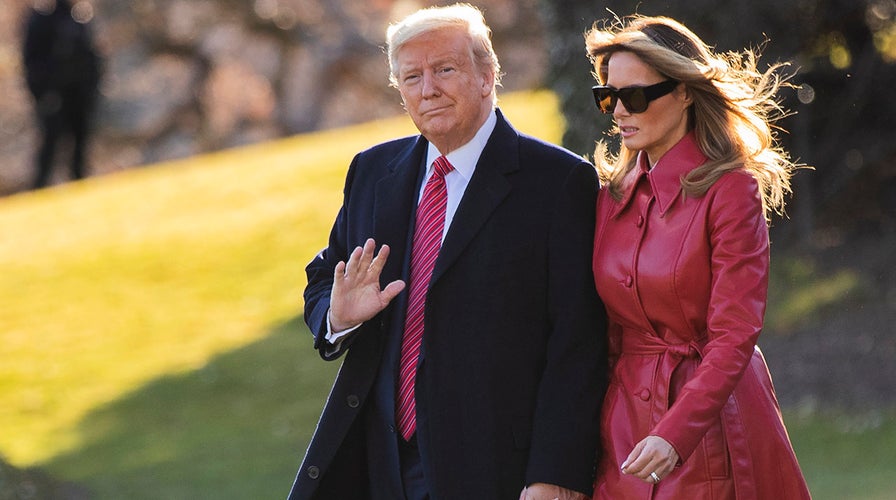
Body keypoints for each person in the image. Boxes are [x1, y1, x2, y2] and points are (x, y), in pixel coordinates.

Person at [286, 4, 608, 500]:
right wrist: (338, 316)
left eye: (445, 69)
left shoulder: (558, 182)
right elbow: (325, 277)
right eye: (411, 77)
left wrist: (555, 475)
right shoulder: (373, 172)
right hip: (380, 465)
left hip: (497, 467)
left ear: (488, 75)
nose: (427, 89)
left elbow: (578, 342)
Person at [583, 15, 811, 499]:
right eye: (609, 97)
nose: (619, 111)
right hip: (621, 430)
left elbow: (735, 334)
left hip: (708, 429)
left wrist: (676, 432)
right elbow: (599, 331)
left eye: (637, 96)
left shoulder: (731, 191)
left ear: (685, 91)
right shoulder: (610, 196)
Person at [22, 0, 101, 189]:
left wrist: (92, 89)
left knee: (80, 146)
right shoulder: (42, 19)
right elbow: (31, 62)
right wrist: (42, 93)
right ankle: (39, 188)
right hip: (53, 96)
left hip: (79, 95)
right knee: (50, 146)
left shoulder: (79, 18)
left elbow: (92, 58)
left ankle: (79, 185)